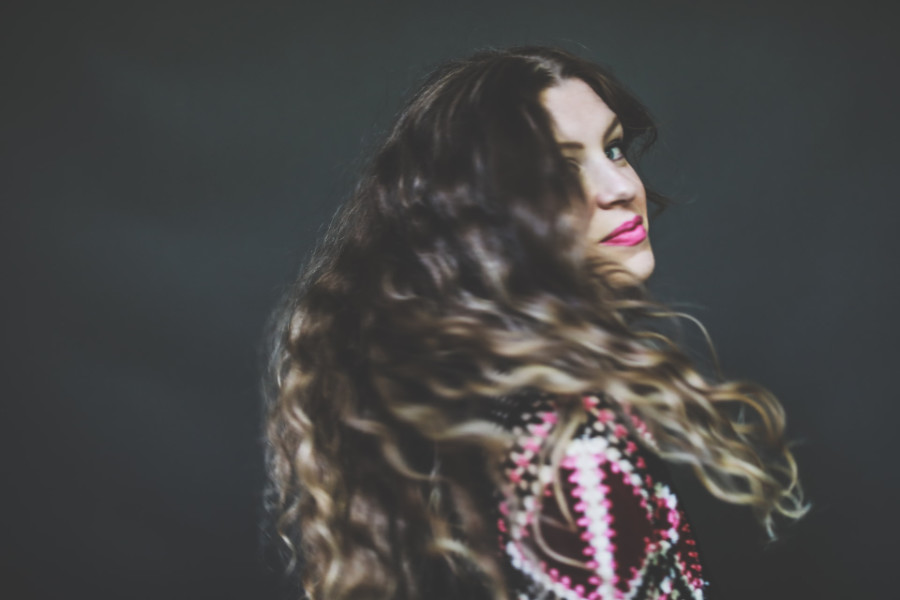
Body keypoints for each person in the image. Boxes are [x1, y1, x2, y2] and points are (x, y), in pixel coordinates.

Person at [262, 46, 806, 600]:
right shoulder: (572, 455)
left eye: (613, 149)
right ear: (480, 220)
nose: (620, 188)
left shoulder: (486, 416)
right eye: (559, 170)